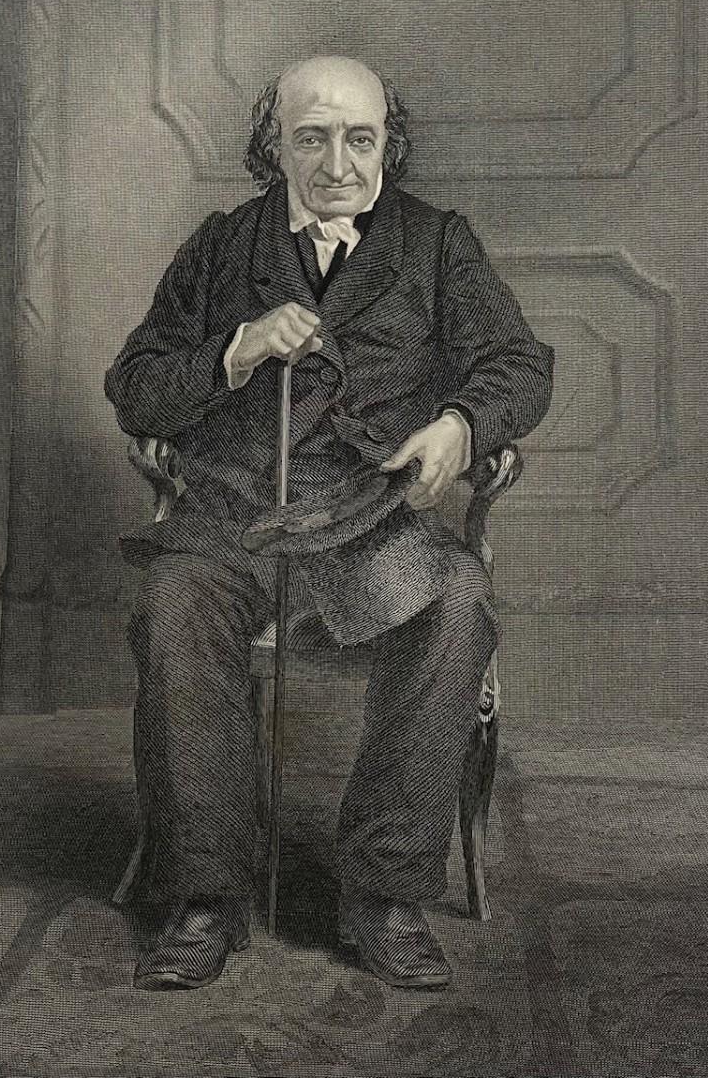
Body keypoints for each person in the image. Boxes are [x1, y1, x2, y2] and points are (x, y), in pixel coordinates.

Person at [105, 55, 554, 992]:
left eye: (360, 138)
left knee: (456, 602)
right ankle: (205, 895)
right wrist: (232, 352)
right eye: (311, 138)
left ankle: (383, 893)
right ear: (273, 145)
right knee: (173, 599)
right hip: (234, 520)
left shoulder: (437, 244)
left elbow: (517, 364)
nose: (337, 164)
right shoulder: (222, 246)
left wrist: (457, 426)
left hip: (370, 521)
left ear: (390, 143)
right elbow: (136, 384)